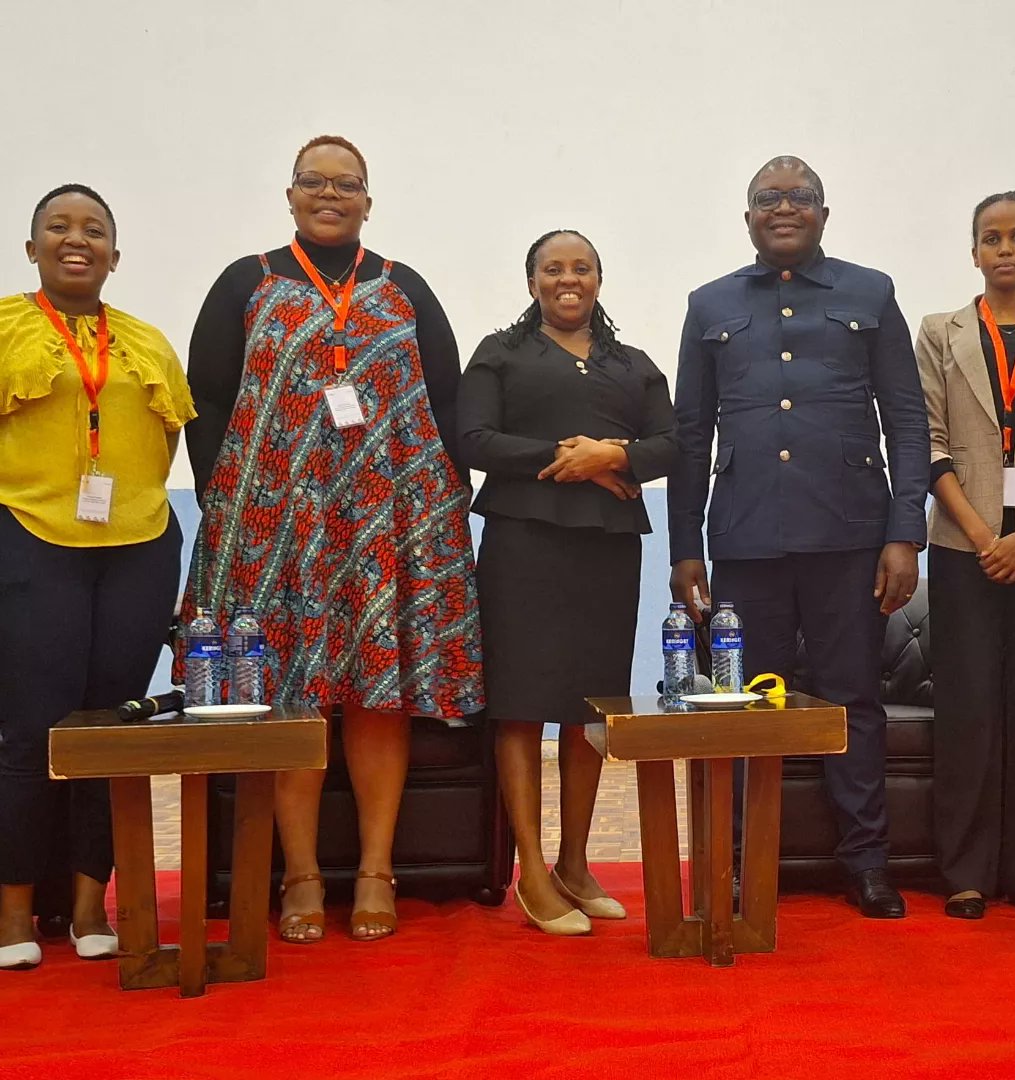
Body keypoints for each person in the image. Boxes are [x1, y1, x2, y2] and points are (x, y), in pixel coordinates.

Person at [181, 135, 483, 945]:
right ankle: (304, 877)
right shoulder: (245, 282)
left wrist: (440, 515)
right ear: (289, 196)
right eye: (314, 181)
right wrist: (231, 505)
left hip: (387, 533)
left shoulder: (402, 286)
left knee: (377, 700)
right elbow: (205, 401)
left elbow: (447, 403)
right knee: (293, 698)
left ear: (367, 202)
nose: (330, 194)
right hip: (275, 536)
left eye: (346, 184)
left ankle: (377, 872)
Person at [667, 156, 929, 918]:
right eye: (767, 199)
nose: (784, 207)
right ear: (746, 217)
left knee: (853, 700)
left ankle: (867, 861)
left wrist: (904, 532)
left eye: (800, 197)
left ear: (824, 212)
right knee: (745, 704)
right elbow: (689, 432)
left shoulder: (869, 293)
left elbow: (906, 420)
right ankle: (745, 860)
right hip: (746, 540)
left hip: (850, 533)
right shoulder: (709, 302)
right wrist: (687, 546)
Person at [459, 229, 677, 935]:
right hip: (523, 544)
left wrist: (614, 452)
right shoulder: (500, 353)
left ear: (599, 279)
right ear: (532, 283)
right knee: (522, 704)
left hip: (607, 551)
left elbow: (675, 441)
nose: (567, 279)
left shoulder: (633, 364)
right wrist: (566, 457)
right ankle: (530, 871)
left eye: (581, 268)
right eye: (552, 269)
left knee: (589, 709)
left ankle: (575, 865)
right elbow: (472, 440)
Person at [0, 184, 193, 970]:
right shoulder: (8, 328)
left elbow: (169, 436)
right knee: (28, 730)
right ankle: (13, 910)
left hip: (138, 544)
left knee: (110, 732)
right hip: (29, 536)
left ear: (115, 254)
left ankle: (89, 904)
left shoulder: (144, 341)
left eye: (94, 231)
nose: (76, 240)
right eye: (59, 227)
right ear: (33, 247)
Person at [916, 191, 1015, 920]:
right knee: (968, 707)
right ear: (974, 252)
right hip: (963, 549)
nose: (1004, 249)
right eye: (991, 238)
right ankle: (965, 872)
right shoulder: (938, 333)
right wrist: (988, 539)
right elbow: (928, 441)